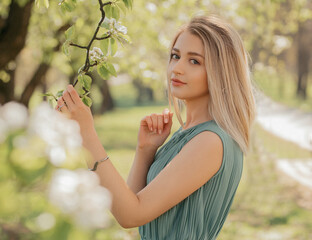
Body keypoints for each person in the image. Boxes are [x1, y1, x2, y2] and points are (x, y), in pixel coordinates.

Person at [55, 15, 255, 240]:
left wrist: (86, 135)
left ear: (221, 72)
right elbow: (129, 211)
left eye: (194, 61)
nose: (177, 68)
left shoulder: (210, 140)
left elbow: (130, 215)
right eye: (175, 56)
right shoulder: (190, 134)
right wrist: (146, 150)